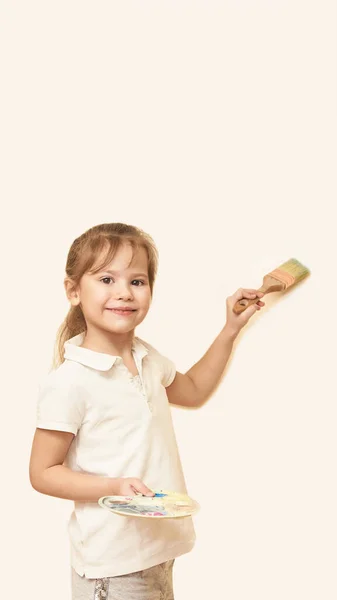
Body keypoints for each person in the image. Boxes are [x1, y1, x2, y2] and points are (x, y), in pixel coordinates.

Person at [29, 222, 265, 599]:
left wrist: (230, 329)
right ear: (74, 291)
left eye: (137, 281)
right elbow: (42, 473)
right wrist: (114, 488)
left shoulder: (147, 357)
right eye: (107, 279)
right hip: (113, 564)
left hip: (157, 551)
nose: (124, 293)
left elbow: (194, 390)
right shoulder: (70, 381)